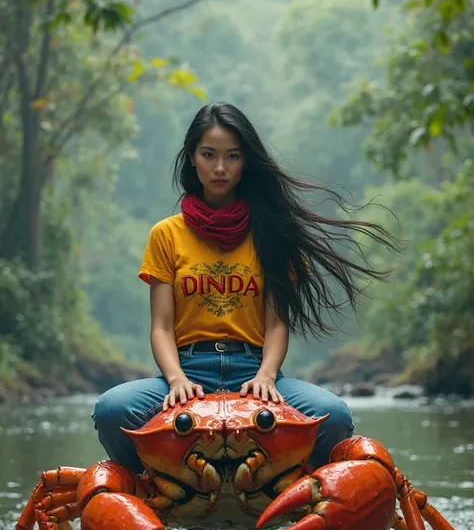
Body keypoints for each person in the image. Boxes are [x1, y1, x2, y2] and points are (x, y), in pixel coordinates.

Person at [93, 102, 398, 475]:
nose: (220, 168)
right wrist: (175, 380)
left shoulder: (270, 232)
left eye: (232, 157)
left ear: (246, 162)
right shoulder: (166, 235)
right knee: (111, 410)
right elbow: (160, 326)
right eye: (209, 155)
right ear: (192, 158)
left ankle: (304, 493)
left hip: (254, 369)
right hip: (187, 369)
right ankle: (147, 487)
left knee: (334, 416)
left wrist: (267, 375)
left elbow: (277, 324)